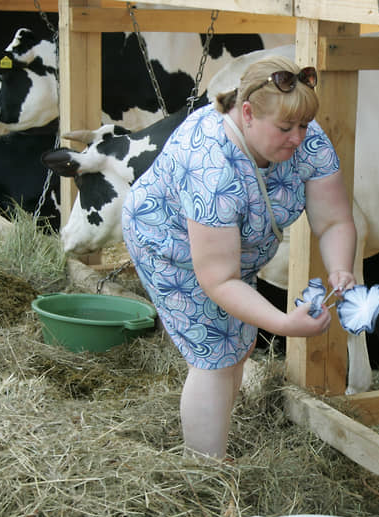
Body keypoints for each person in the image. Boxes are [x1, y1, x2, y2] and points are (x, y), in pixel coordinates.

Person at [122, 55, 357, 460]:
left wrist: (340, 267)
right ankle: (206, 471)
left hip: (235, 253)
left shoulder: (306, 137)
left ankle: (215, 441)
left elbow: (335, 220)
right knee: (214, 352)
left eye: (303, 125)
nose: (298, 137)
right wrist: (284, 324)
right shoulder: (213, 168)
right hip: (169, 244)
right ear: (246, 113)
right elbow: (217, 279)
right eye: (285, 129)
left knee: (238, 342)